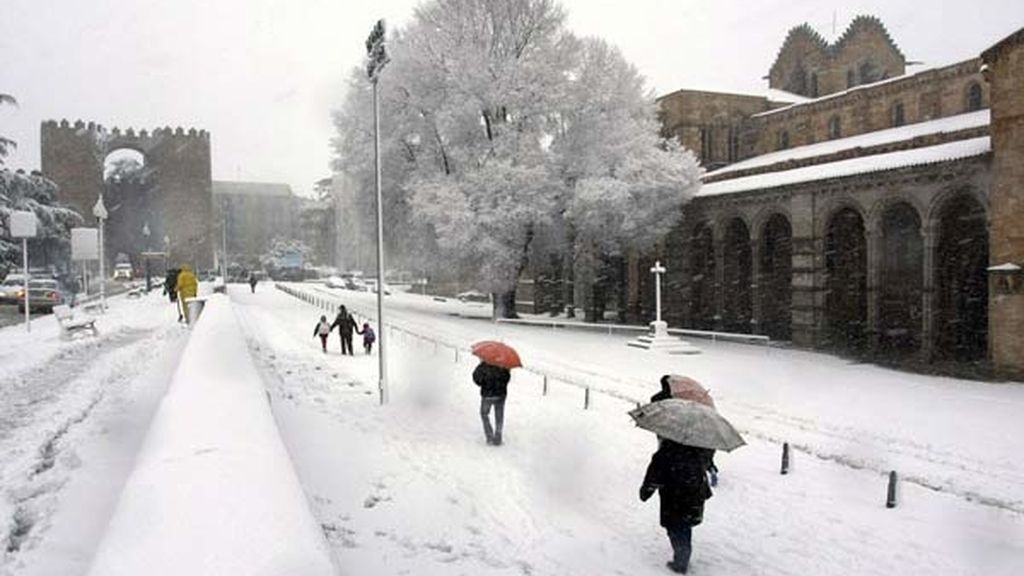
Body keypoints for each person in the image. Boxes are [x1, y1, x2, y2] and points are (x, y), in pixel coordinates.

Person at [639, 439, 715, 574]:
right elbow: (703, 468)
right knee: (685, 526)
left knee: (675, 528)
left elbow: (653, 477)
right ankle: (684, 555)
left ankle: (681, 562)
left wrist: (645, 492)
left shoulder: (665, 454)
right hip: (693, 497)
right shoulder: (698, 450)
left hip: (674, 499)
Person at [651, 375, 719, 487]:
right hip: (693, 427)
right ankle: (709, 467)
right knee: (698, 451)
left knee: (667, 450)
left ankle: (667, 468)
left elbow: (655, 405)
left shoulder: (665, 397)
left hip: (670, 428)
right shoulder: (695, 398)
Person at [473, 361, 510, 446]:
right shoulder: (503, 364)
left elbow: (476, 378)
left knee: (484, 414)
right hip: (500, 395)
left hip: (487, 395)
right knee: (499, 416)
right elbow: (507, 378)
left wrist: (483, 383)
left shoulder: (484, 365)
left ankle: (489, 436)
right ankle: (498, 436)